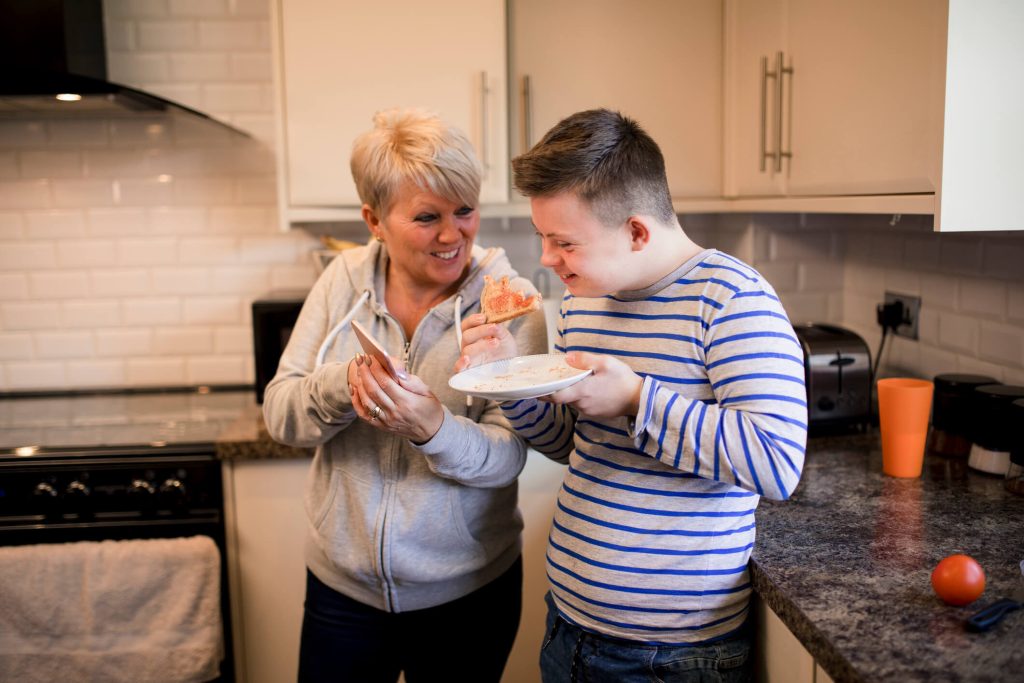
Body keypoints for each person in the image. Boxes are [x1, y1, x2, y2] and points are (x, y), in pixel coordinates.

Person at [457, 109, 807, 682]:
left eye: (564, 242)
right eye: (543, 238)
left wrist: (638, 400)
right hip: (567, 623)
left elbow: (776, 462)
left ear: (637, 231)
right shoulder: (583, 298)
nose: (547, 259)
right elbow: (571, 444)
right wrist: (509, 379)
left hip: (672, 655)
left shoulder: (733, 301)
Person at [262, 108, 547, 683]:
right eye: (426, 217)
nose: (453, 234)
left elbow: (510, 455)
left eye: (465, 210)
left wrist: (434, 429)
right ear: (374, 220)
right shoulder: (341, 280)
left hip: (468, 592)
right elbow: (280, 415)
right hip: (343, 592)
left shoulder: (508, 301)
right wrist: (343, 386)